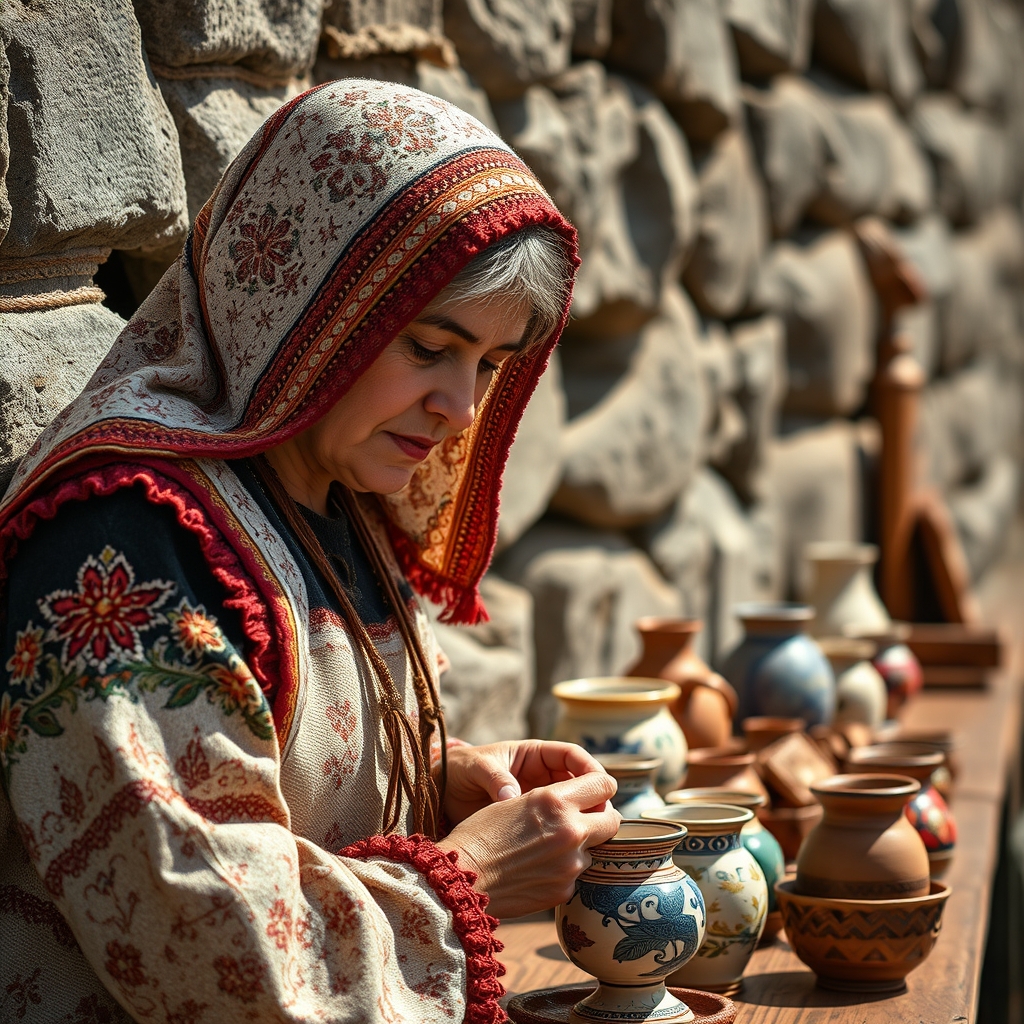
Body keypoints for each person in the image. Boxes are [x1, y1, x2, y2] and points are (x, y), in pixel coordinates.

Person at [0, 80, 620, 1023]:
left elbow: (272, 780)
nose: (459, 405)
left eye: (488, 365)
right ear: (305, 302)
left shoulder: (335, 495)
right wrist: (471, 876)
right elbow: (208, 954)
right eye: (427, 346)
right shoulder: (130, 549)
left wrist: (434, 776)